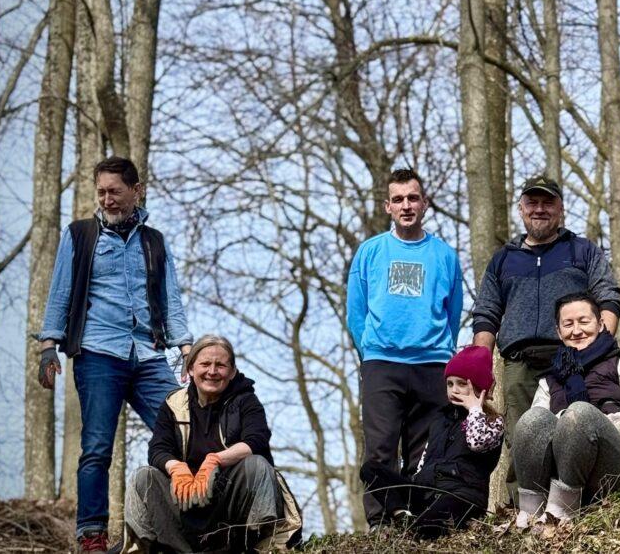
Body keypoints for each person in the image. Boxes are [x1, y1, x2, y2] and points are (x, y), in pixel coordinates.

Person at [35, 156, 192, 554]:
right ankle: (92, 536)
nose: (107, 199)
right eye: (101, 192)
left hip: (149, 354)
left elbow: (169, 297)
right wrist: (47, 346)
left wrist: (186, 346)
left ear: (136, 191)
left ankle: (186, 526)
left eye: (115, 192)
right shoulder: (80, 235)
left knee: (184, 428)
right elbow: (60, 292)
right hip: (98, 352)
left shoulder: (154, 241)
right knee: (97, 448)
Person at [472, 176, 620, 496]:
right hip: (519, 365)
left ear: (560, 208)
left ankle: (578, 513)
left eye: (548, 202)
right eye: (532, 202)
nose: (539, 209)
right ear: (521, 209)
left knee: (574, 433)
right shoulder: (503, 259)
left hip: (572, 359)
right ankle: (524, 520)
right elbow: (486, 314)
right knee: (522, 440)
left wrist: (600, 350)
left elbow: (608, 297)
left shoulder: (582, 251)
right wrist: (479, 368)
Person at [346, 167, 464, 528]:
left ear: (425, 203)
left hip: (432, 364)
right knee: (381, 448)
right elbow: (356, 311)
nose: (406, 205)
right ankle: (382, 521)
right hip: (382, 362)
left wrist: (442, 350)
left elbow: (453, 312)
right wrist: (370, 352)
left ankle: (420, 518)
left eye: (413, 198)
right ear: (387, 207)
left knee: (425, 451)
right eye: (398, 199)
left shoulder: (444, 255)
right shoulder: (370, 252)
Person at [123, 335, 302, 552]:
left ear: (232, 371)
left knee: (257, 465)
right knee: (143, 477)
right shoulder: (173, 403)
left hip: (231, 509)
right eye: (205, 364)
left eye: (221, 365)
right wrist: (177, 468)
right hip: (184, 503)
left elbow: (256, 440)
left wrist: (215, 460)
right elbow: (158, 449)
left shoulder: (246, 400)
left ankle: (261, 545)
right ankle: (150, 548)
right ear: (190, 369)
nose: (212, 371)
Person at [511, 292, 620, 527]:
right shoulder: (548, 380)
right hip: (564, 471)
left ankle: (562, 513)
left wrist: (593, 424)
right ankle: (530, 513)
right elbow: (536, 428)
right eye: (567, 324)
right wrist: (568, 424)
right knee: (531, 420)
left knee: (580, 413)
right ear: (559, 332)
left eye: (584, 321)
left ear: (600, 324)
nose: (576, 330)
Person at [360, 345, 504, 538]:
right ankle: (402, 514)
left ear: (480, 388)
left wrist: (474, 409)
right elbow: (424, 460)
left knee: (426, 527)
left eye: (462, 384)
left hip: (461, 495)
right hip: (428, 491)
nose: (454, 390)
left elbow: (476, 441)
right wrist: (415, 484)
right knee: (370, 469)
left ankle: (418, 526)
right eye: (450, 384)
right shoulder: (439, 419)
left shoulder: (493, 421)